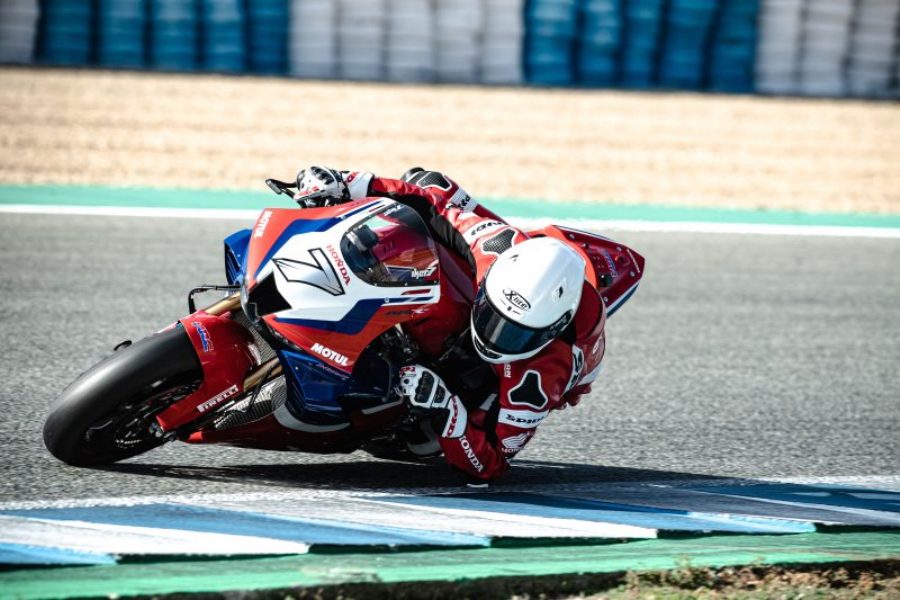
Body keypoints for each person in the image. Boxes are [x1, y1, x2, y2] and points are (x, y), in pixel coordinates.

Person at [292, 166, 606, 482]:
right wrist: (350, 184)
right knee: (426, 182)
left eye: (515, 333)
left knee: (426, 436)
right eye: (493, 317)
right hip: (490, 270)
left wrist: (448, 410)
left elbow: (491, 464)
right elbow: (432, 204)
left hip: (517, 370)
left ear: (552, 330)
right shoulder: (494, 247)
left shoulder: (543, 374)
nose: (494, 336)